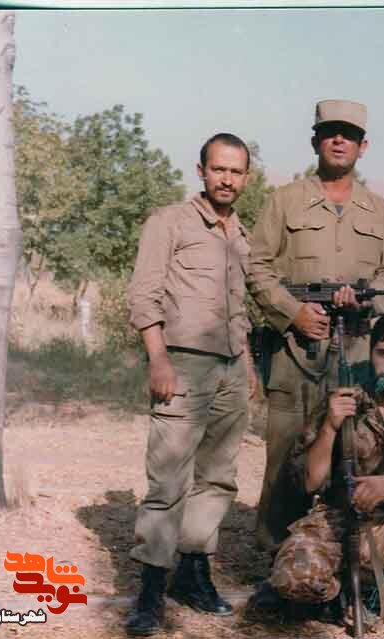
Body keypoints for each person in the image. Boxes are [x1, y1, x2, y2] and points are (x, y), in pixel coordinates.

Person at [246, 99, 384, 555]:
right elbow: (257, 267)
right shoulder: (284, 201)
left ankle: (342, 561)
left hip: (356, 354)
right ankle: (279, 563)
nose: (340, 141)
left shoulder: (379, 210)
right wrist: (292, 312)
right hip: (296, 354)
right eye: (331, 132)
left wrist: (368, 303)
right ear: (315, 141)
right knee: (286, 459)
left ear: (363, 146)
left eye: (349, 135)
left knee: (353, 455)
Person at [248, 312, 384, 636]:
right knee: (290, 579)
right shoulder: (343, 400)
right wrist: (330, 426)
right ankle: (339, 597)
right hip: (341, 521)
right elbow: (310, 481)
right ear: (371, 352)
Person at [124, 133, 258, 636]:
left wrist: (246, 364)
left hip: (231, 367)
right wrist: (158, 357)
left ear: (246, 178)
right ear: (201, 171)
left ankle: (193, 573)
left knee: (218, 477)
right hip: (182, 363)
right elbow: (144, 293)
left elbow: (238, 307)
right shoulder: (169, 222)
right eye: (219, 169)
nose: (227, 179)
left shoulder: (241, 234)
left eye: (236, 172)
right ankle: (151, 589)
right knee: (168, 479)